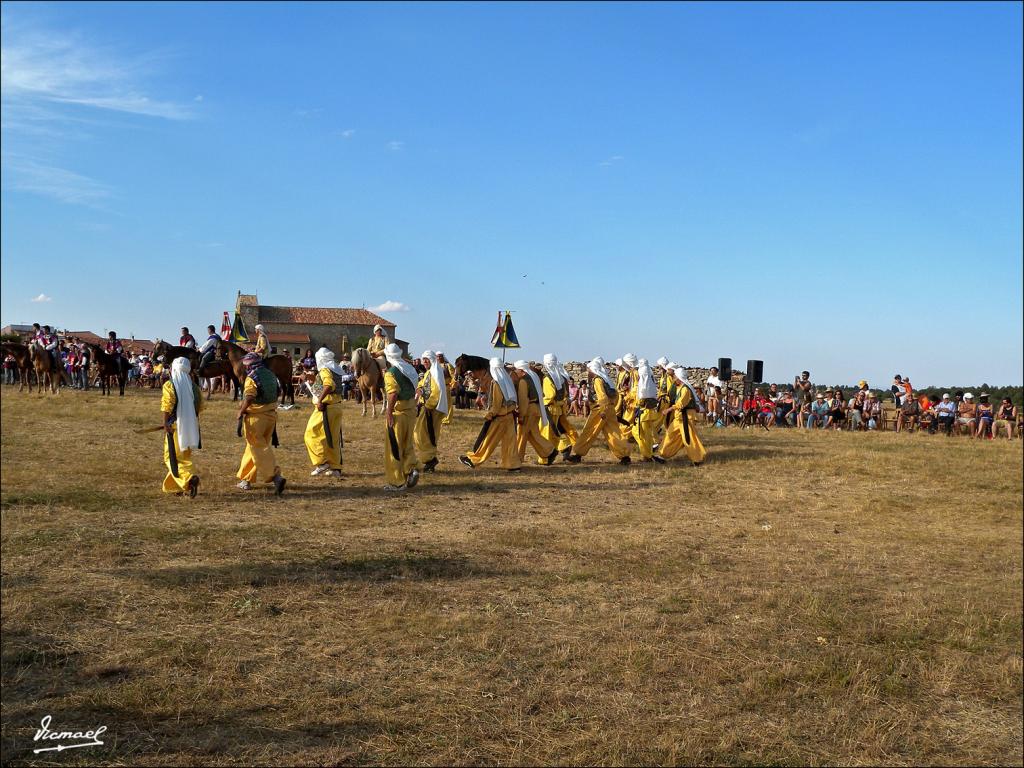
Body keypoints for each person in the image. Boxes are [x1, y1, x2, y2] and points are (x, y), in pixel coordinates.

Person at [236, 352, 286, 494]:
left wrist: (241, 410)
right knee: (253, 447)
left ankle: (275, 476)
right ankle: (246, 479)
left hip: (256, 417)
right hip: (271, 416)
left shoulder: (251, 377)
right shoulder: (271, 374)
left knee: (259, 448)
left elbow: (250, 397)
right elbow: (278, 392)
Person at [566, 358, 631, 465]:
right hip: (608, 409)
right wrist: (610, 408)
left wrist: (603, 411)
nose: (588, 372)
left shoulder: (597, 380)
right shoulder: (605, 379)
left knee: (589, 432)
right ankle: (625, 455)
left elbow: (602, 397)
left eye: (589, 370)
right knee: (614, 433)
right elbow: (614, 396)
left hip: (600, 410)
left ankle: (578, 454)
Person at [460, 358, 522, 471]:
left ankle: (474, 460)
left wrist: (490, 414)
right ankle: (513, 464)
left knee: (489, 440)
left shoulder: (496, 382)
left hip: (500, 416)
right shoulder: (507, 378)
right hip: (509, 415)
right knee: (510, 442)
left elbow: (497, 403)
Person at [160, 357, 202, 497]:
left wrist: (166, 423)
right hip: (191, 426)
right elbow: (199, 407)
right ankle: (177, 487)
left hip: (175, 426)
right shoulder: (194, 387)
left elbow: (167, 406)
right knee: (183, 456)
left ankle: (189, 479)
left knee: (171, 457)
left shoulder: (170, 385)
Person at [383, 344, 421, 490]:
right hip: (410, 410)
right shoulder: (409, 368)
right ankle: (411, 469)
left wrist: (389, 414)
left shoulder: (391, 373)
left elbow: (392, 394)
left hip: (398, 413)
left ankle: (396, 482)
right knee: (407, 443)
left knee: (394, 446)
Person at [304, 347, 345, 478]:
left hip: (326, 408)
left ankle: (321, 462)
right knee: (333, 438)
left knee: (311, 433)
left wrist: (320, 400)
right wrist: (309, 376)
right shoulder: (335, 368)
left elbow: (328, 384)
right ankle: (336, 468)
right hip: (336, 406)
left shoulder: (325, 369)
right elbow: (323, 380)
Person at [655, 368, 707, 465]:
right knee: (669, 435)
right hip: (679, 418)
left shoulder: (685, 389)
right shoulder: (679, 388)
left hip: (686, 418)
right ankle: (663, 455)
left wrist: (668, 410)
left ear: (679, 378)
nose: (674, 379)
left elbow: (680, 404)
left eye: (675, 377)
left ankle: (697, 459)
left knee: (689, 439)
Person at [511, 360, 558, 465]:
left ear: (521, 370)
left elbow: (523, 400)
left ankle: (517, 460)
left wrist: (521, 415)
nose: (515, 372)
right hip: (535, 409)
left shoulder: (523, 381)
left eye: (516, 370)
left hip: (529, 410)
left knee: (521, 435)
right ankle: (549, 451)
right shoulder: (533, 378)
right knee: (533, 434)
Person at [414, 350, 449, 473]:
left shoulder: (435, 373)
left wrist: (428, 406)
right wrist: (419, 387)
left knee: (423, 435)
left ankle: (430, 459)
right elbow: (422, 384)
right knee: (422, 434)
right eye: (423, 360)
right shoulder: (430, 372)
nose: (424, 362)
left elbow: (436, 392)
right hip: (427, 408)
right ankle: (429, 458)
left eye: (426, 360)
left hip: (431, 409)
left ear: (431, 360)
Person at [539, 353, 578, 460]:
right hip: (558, 409)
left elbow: (550, 395)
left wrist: (542, 402)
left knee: (546, 433)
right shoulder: (560, 378)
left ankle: (545, 457)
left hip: (550, 409)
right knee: (554, 431)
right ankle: (563, 446)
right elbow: (565, 393)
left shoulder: (548, 378)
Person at [630, 358, 663, 460]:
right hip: (648, 412)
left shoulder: (643, 380)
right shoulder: (650, 378)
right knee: (647, 434)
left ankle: (647, 455)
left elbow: (641, 398)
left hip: (643, 413)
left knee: (640, 434)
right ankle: (648, 453)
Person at [616, 353, 639, 439]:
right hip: (631, 400)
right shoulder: (633, 372)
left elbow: (636, 388)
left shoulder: (635, 373)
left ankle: (623, 440)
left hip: (633, 402)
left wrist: (628, 397)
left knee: (626, 421)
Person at [437, 352, 458, 426]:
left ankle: (447, 420)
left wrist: (452, 386)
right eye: (437, 356)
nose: (439, 358)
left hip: (446, 387)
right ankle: (441, 418)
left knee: (448, 404)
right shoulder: (435, 366)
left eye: (440, 356)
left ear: (443, 357)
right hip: (437, 388)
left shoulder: (448, 365)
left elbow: (453, 377)